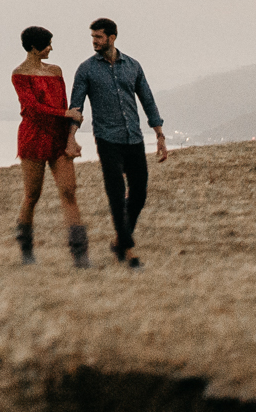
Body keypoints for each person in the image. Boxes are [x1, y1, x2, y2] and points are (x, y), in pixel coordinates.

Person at [65, 17, 167, 269]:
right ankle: (129, 249)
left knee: (140, 192)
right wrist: (71, 136)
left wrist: (160, 135)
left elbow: (148, 101)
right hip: (107, 138)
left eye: (98, 37)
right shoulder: (86, 69)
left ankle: (120, 240)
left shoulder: (133, 66)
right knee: (116, 194)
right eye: (92, 38)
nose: (94, 42)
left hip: (133, 137)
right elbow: (76, 106)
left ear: (112, 38)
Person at [11, 26, 88, 266]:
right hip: (33, 137)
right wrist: (63, 113)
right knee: (32, 195)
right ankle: (26, 249)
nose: (51, 48)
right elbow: (30, 108)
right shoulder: (19, 74)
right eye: (47, 44)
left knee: (69, 191)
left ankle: (80, 254)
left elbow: (64, 104)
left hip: (57, 137)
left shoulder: (56, 71)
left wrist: (70, 138)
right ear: (34, 47)